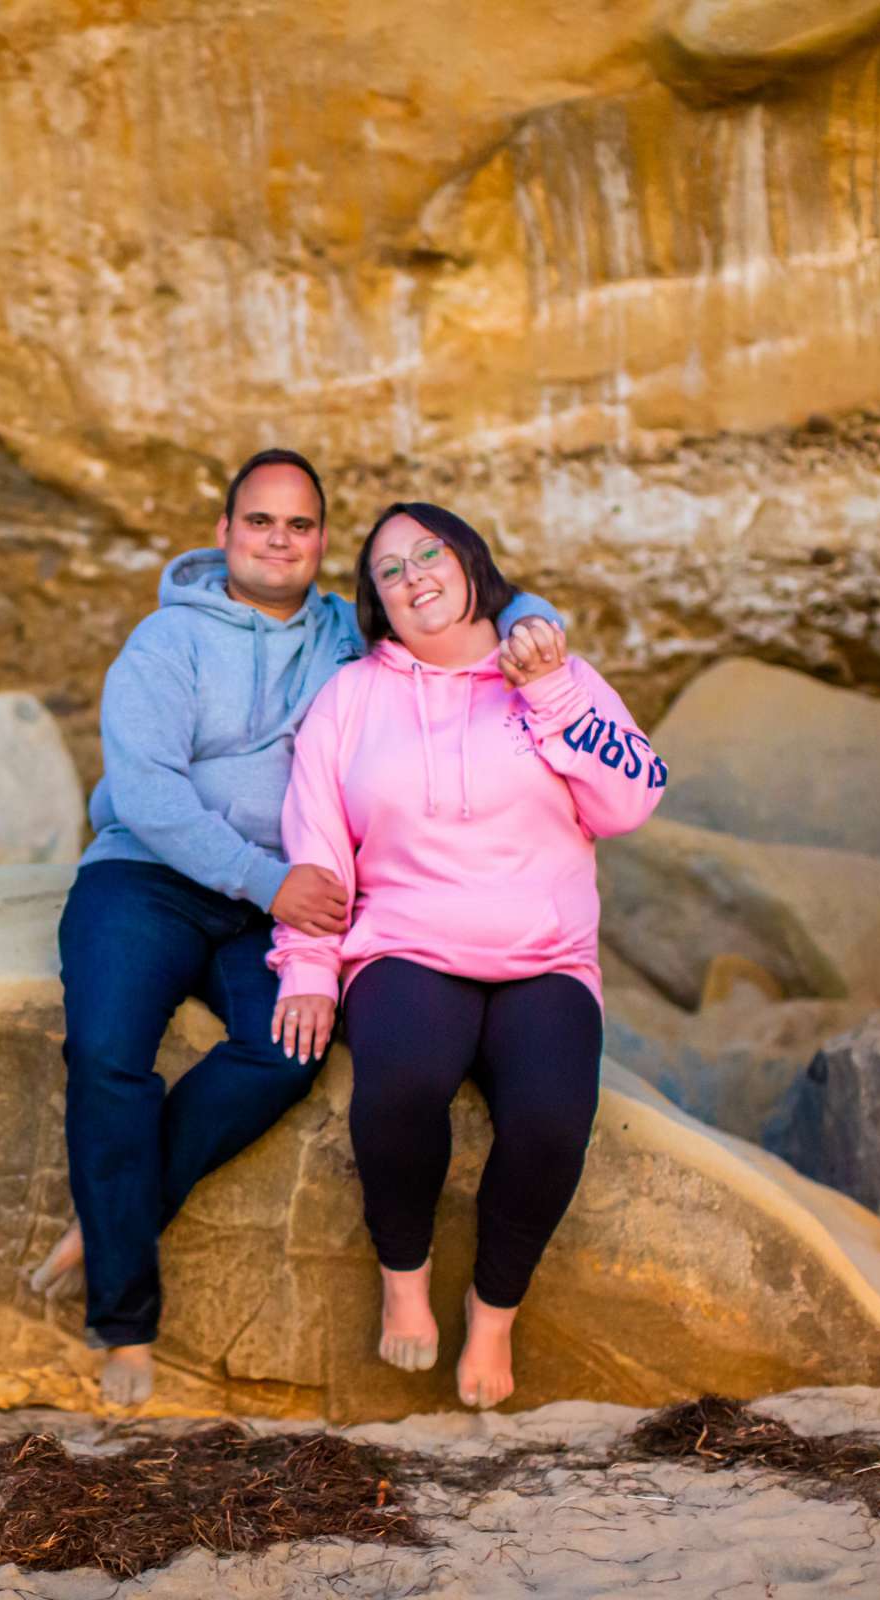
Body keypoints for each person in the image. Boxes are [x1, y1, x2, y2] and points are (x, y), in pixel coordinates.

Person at [36, 453, 567, 1406]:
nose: (280, 540)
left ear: (322, 542)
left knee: (284, 1051)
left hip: (276, 905)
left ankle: (123, 1207)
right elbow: (149, 796)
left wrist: (537, 626)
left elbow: (479, 592)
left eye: (300, 526)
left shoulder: (342, 633)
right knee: (109, 1054)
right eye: (259, 523)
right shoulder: (164, 644)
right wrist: (267, 880)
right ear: (226, 531)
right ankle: (126, 1324)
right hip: (149, 877)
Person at [267, 501, 665, 1409]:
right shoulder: (351, 697)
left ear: (471, 562)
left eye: (429, 555)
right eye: (390, 573)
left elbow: (632, 800)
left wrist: (554, 692)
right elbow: (318, 846)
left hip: (548, 955)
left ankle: (493, 1315)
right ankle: (404, 1279)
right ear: (378, 604)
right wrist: (308, 968)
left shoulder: (554, 671)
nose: (415, 579)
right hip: (409, 945)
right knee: (402, 1085)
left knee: (553, 1123)